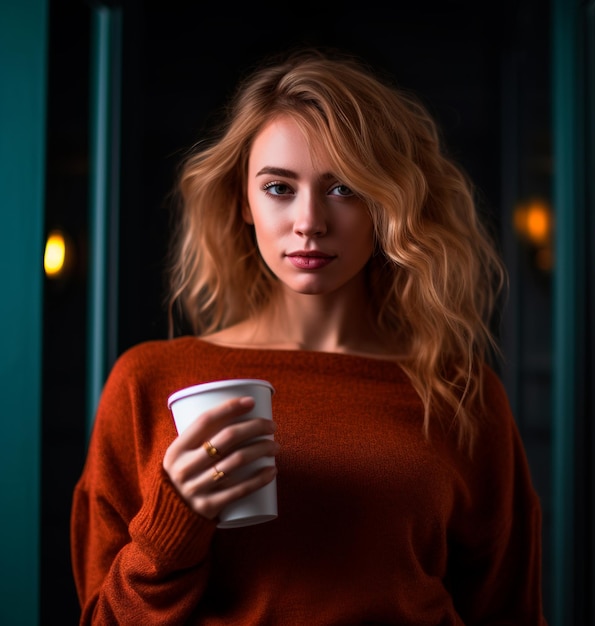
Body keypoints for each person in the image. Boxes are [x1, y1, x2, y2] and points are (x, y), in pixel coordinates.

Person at [71, 47, 548, 624]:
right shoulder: (148, 382)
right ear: (242, 201)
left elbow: (511, 611)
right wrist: (172, 528)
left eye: (343, 187)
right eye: (278, 187)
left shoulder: (462, 393)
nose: (309, 221)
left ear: (385, 204)